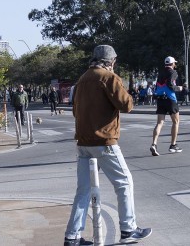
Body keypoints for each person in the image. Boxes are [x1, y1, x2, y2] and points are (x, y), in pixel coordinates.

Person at [64, 45, 151, 246]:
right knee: (124, 182)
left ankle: (72, 236)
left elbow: (76, 112)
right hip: (104, 141)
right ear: (110, 61)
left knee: (83, 191)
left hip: (83, 143)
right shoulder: (109, 78)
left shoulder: (82, 80)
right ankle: (128, 229)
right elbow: (127, 105)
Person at [150, 56, 182, 156]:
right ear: (172, 64)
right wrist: (179, 88)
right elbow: (170, 84)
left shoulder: (160, 73)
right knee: (176, 122)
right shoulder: (173, 72)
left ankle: (154, 144)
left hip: (160, 99)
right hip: (170, 99)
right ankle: (173, 145)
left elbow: (158, 85)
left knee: (159, 123)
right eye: (174, 63)